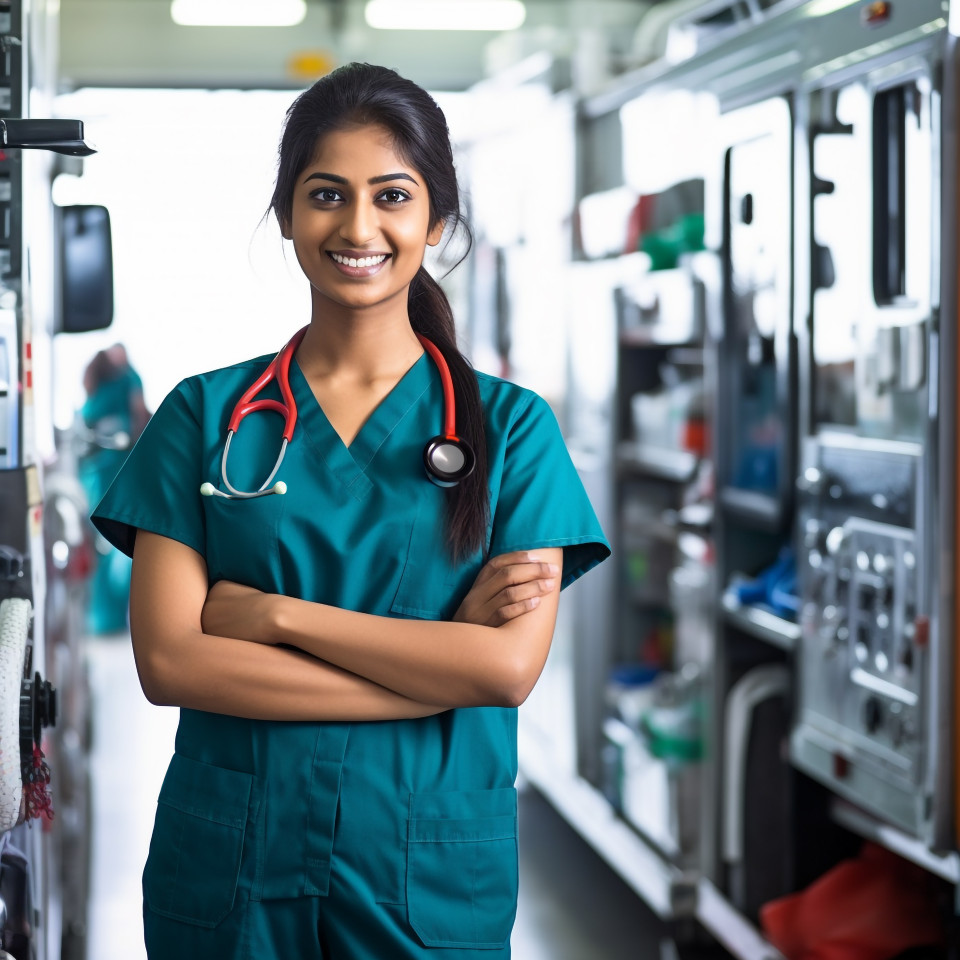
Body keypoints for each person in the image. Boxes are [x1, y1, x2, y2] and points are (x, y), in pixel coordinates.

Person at [91, 62, 609, 959]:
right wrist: (429, 679)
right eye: (327, 194)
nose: (359, 227)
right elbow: (171, 663)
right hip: (234, 871)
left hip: (423, 879)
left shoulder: (512, 432)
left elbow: (502, 670)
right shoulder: (203, 417)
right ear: (288, 214)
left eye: (392, 196)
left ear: (436, 220)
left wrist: (273, 617)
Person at [79, 343, 150, 633]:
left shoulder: (95, 385)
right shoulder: (128, 379)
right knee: (122, 542)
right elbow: (139, 413)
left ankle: (102, 618)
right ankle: (114, 617)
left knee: (101, 544)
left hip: (96, 473)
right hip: (118, 468)